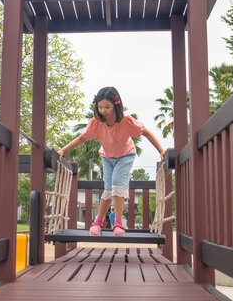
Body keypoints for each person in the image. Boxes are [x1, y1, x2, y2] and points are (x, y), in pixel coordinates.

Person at [58, 86, 165, 236]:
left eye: (107, 107)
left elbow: (146, 133)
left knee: (117, 184)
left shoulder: (127, 122)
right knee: (108, 189)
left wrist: (161, 150)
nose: (103, 111)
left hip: (126, 155)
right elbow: (81, 138)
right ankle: (98, 221)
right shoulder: (96, 124)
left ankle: (118, 223)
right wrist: (63, 149)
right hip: (107, 157)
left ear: (116, 105)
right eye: (100, 107)